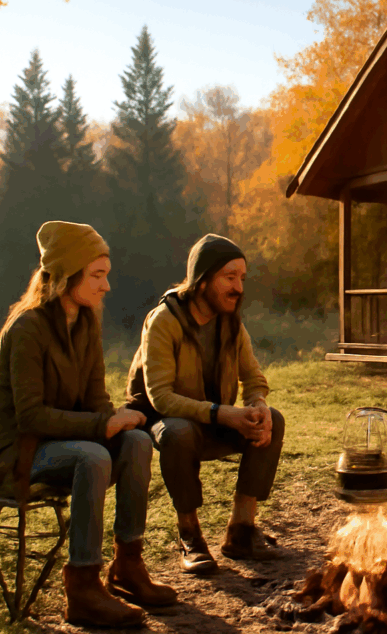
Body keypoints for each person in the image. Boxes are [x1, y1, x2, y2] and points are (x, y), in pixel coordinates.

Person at [0, 221, 175, 628]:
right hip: (15, 454)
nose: (106, 286)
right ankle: (82, 586)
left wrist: (116, 420)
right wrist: (102, 425)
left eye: (106, 275)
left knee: (136, 442)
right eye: (97, 275)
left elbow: (96, 400)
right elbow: (30, 417)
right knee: (94, 455)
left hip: (60, 444)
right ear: (66, 276)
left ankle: (128, 566)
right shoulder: (27, 329)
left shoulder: (84, 324)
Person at [127, 233, 285, 575]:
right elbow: (161, 397)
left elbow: (254, 378)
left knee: (272, 417)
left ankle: (241, 530)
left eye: (242, 278)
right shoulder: (164, 320)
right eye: (229, 277)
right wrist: (221, 413)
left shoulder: (231, 320)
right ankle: (190, 536)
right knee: (178, 432)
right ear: (202, 281)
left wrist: (256, 404)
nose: (238, 288)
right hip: (168, 419)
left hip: (217, 419)